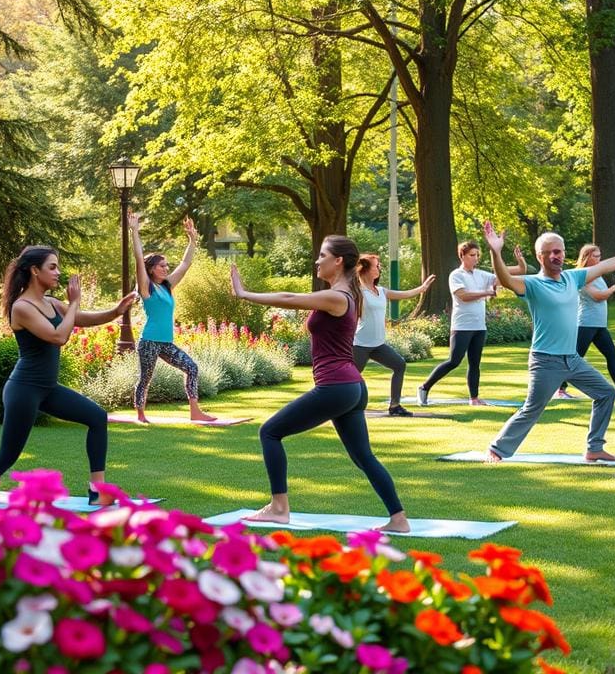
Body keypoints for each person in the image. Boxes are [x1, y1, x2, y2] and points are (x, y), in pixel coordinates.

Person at [230, 235, 410, 532]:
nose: (317, 260)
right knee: (363, 456)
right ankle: (399, 519)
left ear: (337, 261)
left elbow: (289, 299)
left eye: (322, 255)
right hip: (351, 387)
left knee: (270, 432)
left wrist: (245, 293)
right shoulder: (344, 294)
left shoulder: (339, 297)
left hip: (336, 386)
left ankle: (278, 508)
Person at [481, 222, 615, 463]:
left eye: (558, 251)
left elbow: (602, 266)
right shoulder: (532, 284)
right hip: (545, 361)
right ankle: (496, 450)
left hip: (572, 359)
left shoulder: (573, 278)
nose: (555, 256)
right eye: (549, 252)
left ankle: (594, 448)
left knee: (606, 393)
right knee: (532, 409)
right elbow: (506, 279)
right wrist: (495, 252)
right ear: (540, 256)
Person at [0, 246, 138, 505]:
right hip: (24, 389)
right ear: (35, 271)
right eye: (52, 267)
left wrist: (116, 311)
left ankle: (98, 491)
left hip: (47, 389)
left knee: (97, 417)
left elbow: (81, 319)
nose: (58, 273)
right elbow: (58, 336)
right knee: (8, 455)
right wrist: (75, 301)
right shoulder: (22, 307)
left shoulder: (50, 303)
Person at [129, 213, 215, 423]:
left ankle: (195, 411)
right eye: (162, 266)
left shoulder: (167, 286)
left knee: (191, 368)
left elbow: (185, 264)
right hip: (149, 342)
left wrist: (192, 240)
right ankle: (140, 414)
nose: (166, 268)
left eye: (167, 266)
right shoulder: (146, 287)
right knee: (146, 378)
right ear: (151, 269)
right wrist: (135, 231)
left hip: (166, 343)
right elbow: (139, 259)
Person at [417, 241, 526, 407]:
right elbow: (463, 296)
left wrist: (520, 261)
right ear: (462, 256)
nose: (476, 259)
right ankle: (424, 387)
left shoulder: (482, 275)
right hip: (462, 326)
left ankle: (474, 399)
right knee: (454, 361)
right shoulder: (456, 275)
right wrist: (487, 292)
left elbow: (519, 271)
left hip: (479, 327)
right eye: (472, 255)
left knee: (475, 363)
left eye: (477, 255)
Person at [354, 254, 436, 415]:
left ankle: (395, 406)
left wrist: (421, 289)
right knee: (349, 378)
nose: (379, 268)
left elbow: (404, 294)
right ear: (364, 269)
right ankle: (333, 406)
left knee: (399, 365)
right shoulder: (357, 292)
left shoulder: (381, 291)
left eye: (379, 265)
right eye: (376, 266)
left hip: (378, 344)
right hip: (359, 344)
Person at [556, 244, 615, 399]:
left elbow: (604, 293)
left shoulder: (597, 274)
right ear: (586, 257)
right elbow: (598, 296)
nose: (599, 259)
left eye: (600, 255)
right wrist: (614, 287)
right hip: (586, 324)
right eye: (596, 256)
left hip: (599, 325)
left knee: (611, 354)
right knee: (575, 357)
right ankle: (559, 389)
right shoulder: (582, 276)